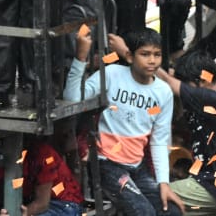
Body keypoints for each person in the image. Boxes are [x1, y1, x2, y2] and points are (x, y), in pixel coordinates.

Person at [63, 28, 183, 216]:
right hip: (107, 164)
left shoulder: (164, 92)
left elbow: (159, 141)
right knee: (143, 212)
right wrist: (80, 57)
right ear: (129, 56)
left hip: (137, 166)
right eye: (145, 54)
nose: (152, 60)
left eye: (157, 55)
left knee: (172, 211)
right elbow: (72, 97)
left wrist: (164, 183)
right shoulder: (112, 74)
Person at [150, 46, 216, 216]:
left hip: (213, 184)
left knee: (155, 197)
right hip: (214, 185)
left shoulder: (213, 100)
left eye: (189, 85)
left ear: (203, 80)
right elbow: (173, 79)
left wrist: (134, 55)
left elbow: (171, 83)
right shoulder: (210, 100)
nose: (187, 91)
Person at [0, 136, 84, 216]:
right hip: (24, 201)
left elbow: (42, 203)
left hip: (61, 203)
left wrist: (20, 214)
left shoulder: (42, 153)